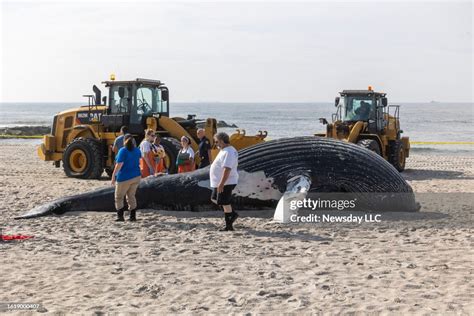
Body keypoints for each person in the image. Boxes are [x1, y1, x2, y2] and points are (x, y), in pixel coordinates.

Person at [210, 132, 239, 231]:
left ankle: (229, 225)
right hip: (220, 182)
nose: (216, 144)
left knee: (225, 202)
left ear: (222, 141)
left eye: (217, 141)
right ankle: (233, 214)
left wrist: (222, 183)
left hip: (227, 182)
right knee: (215, 198)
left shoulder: (229, 152)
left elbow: (227, 169)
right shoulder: (224, 150)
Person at [111, 134, 141, 222]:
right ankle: (132, 216)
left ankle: (120, 216)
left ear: (124, 140)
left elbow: (119, 165)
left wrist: (113, 176)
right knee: (131, 196)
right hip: (136, 176)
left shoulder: (123, 151)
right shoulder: (137, 150)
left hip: (124, 177)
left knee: (119, 197)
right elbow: (139, 161)